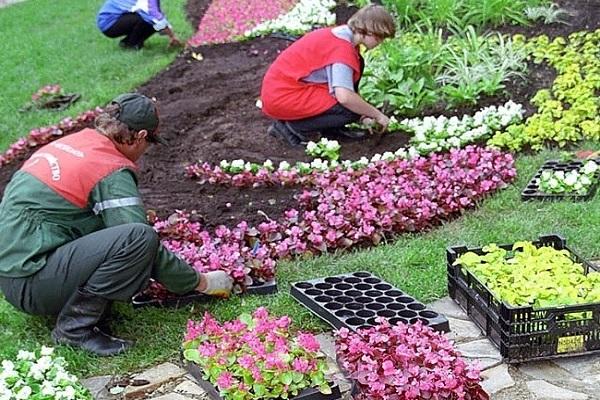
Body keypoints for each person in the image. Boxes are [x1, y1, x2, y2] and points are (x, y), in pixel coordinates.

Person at [0, 93, 233, 356]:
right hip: (32, 284)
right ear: (141, 136)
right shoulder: (109, 167)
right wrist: (200, 282)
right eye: (149, 143)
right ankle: (74, 330)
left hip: (12, 272)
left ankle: (75, 307)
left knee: (120, 232)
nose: (145, 152)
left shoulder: (75, 143)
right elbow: (140, 242)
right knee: (137, 238)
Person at [260, 5, 396, 147]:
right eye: (380, 38)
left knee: (354, 100)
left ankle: (330, 129)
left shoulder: (341, 37)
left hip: (286, 89)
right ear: (368, 31)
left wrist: (364, 116)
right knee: (349, 109)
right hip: (282, 96)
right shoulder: (342, 50)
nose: (380, 43)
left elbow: (345, 86)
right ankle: (292, 128)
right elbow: (345, 97)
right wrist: (377, 115)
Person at [96, 0, 184, 50]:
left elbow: (157, 15)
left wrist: (167, 31)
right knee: (147, 20)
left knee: (152, 21)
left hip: (116, 19)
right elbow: (155, 18)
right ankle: (132, 44)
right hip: (109, 23)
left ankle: (127, 42)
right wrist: (172, 36)